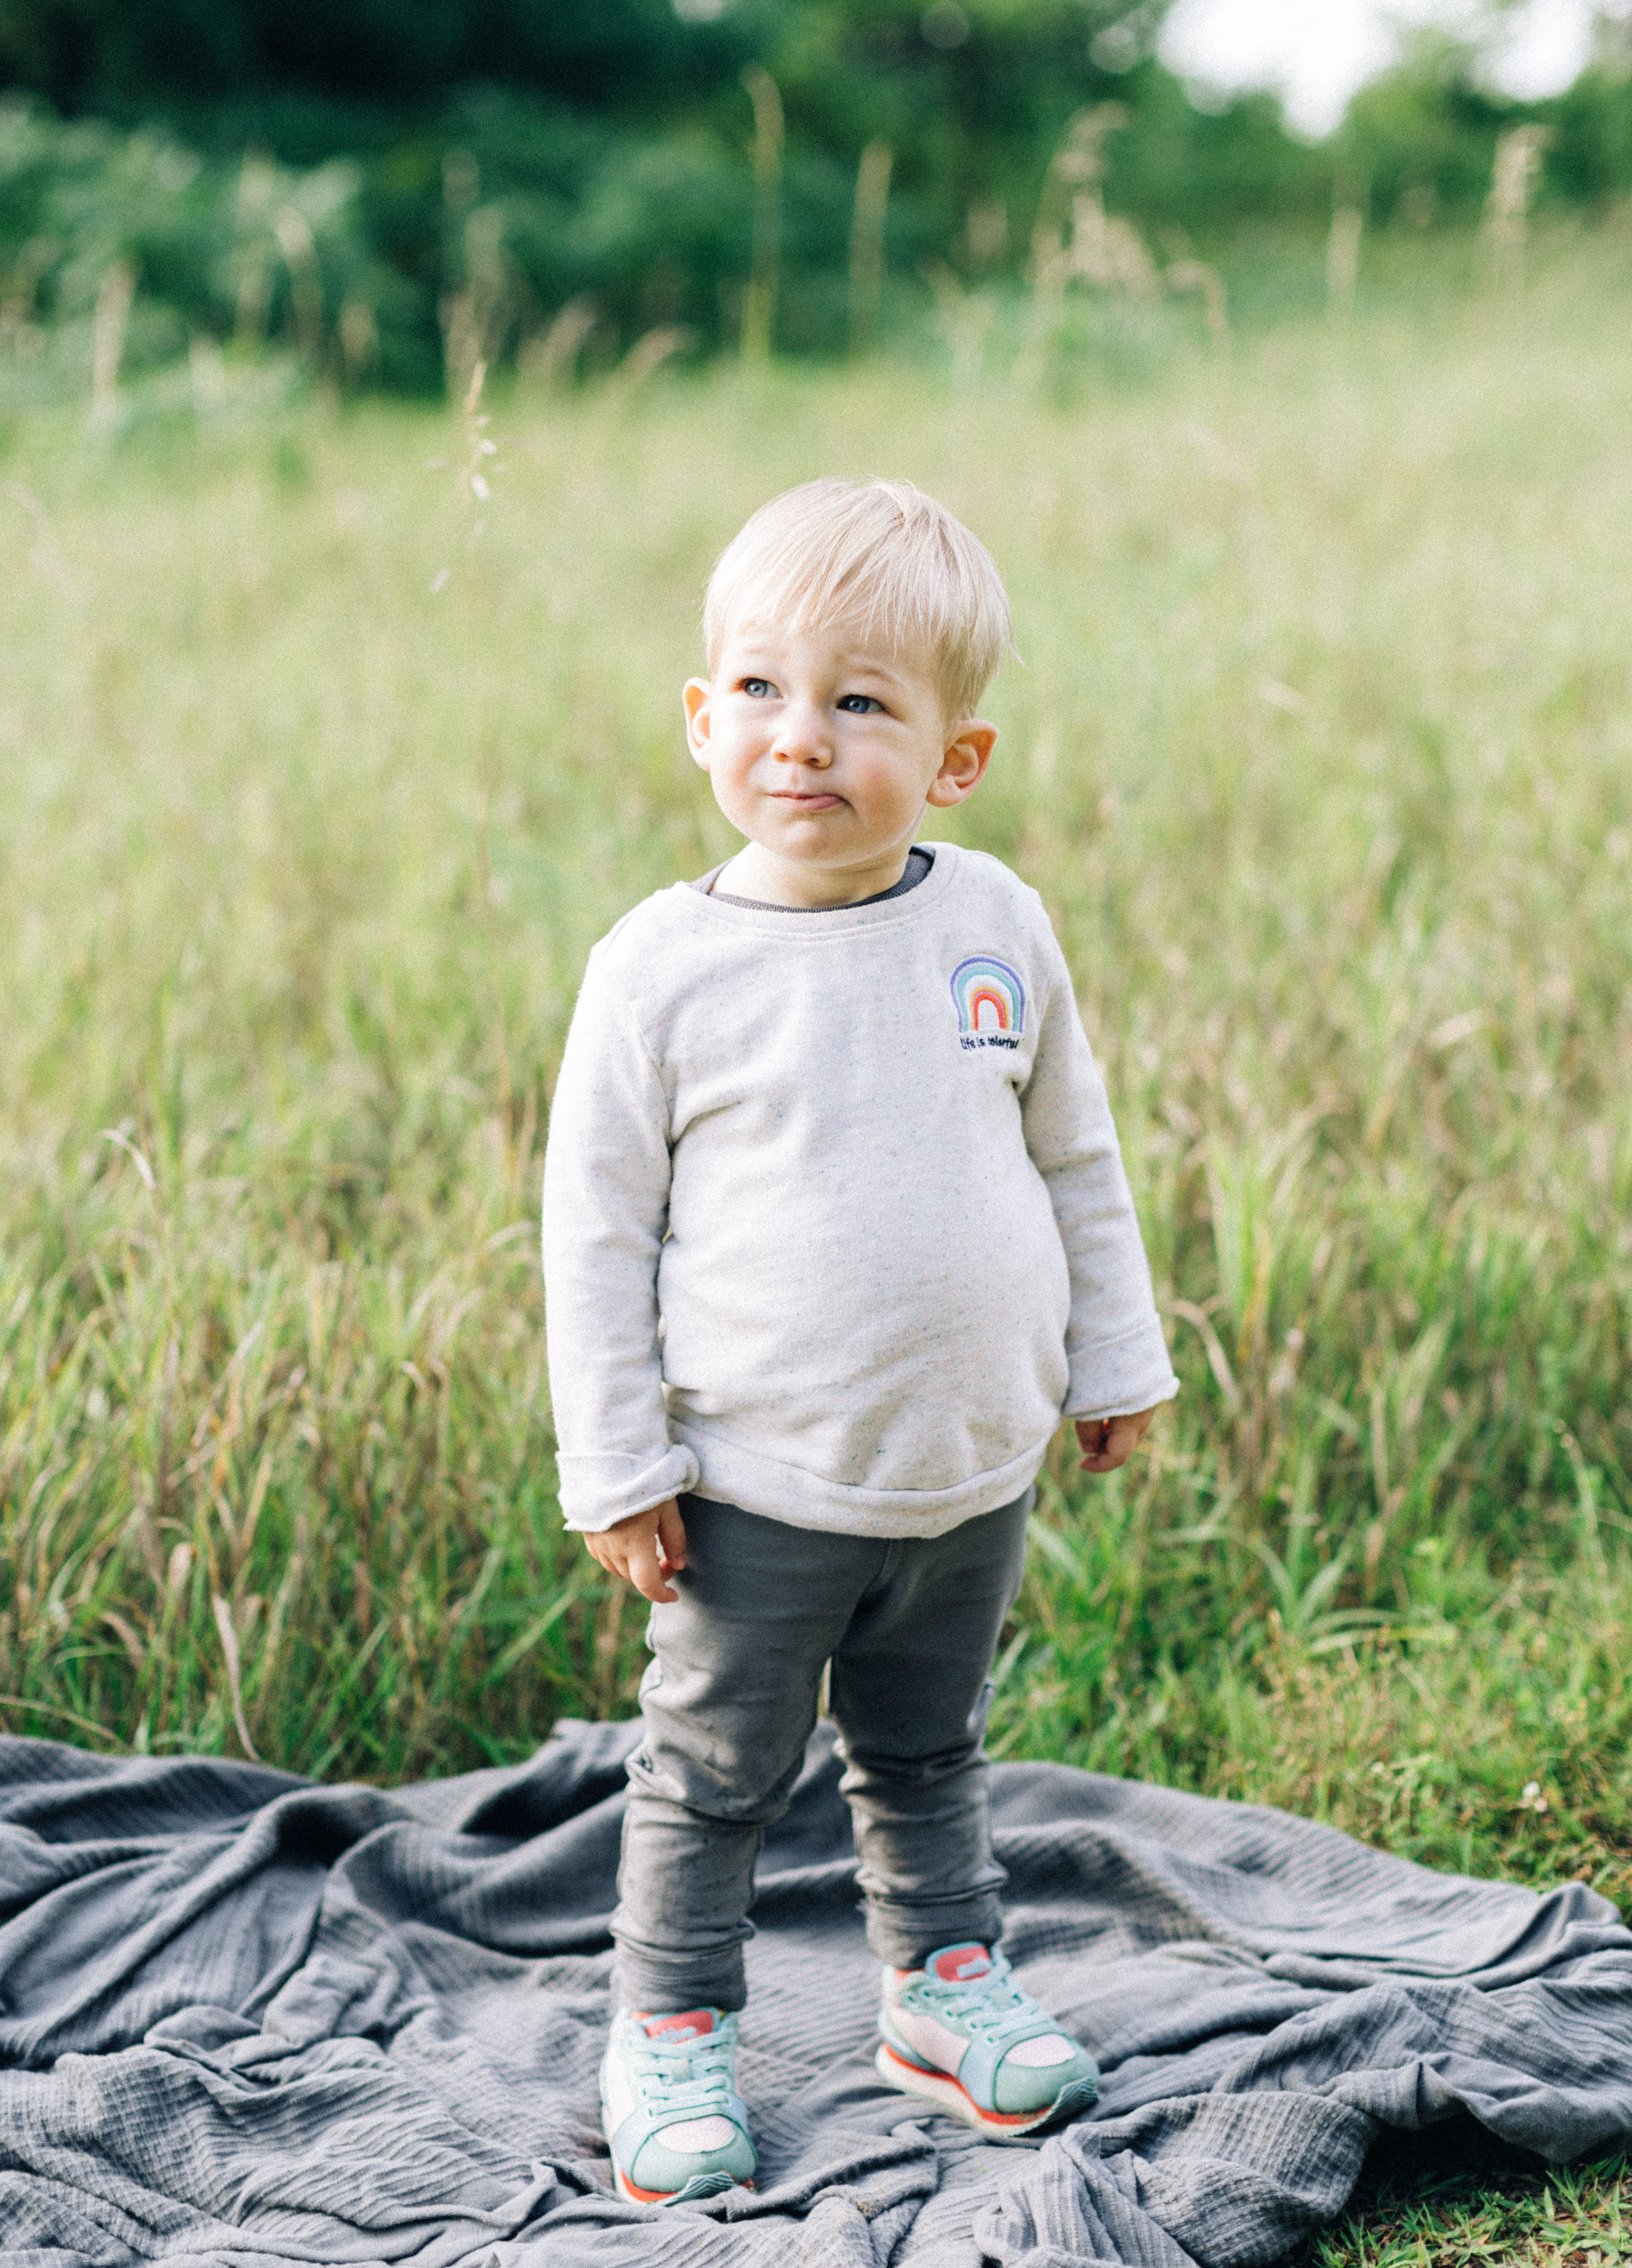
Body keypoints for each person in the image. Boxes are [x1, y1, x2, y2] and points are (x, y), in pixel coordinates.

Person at [541, 477, 1177, 2205]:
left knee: (927, 1742)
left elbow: (1072, 1152)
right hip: (750, 1483)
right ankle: (669, 2024)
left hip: (969, 1466)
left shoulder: (992, 922)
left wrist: (1114, 1356)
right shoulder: (662, 972)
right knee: (710, 1766)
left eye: (859, 700)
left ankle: (940, 1983)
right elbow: (593, 1239)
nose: (799, 737)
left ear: (954, 758)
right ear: (699, 716)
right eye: (757, 688)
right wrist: (614, 1461)